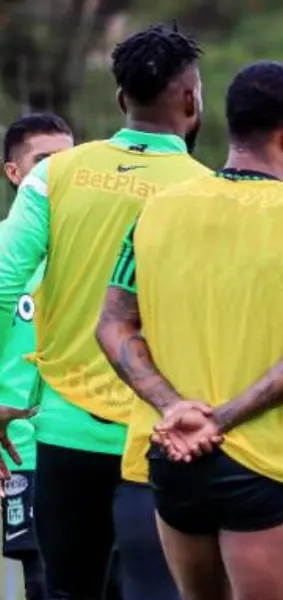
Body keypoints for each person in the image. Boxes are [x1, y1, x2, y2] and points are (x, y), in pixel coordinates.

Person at [95, 60, 283, 600]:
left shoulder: (155, 213)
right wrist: (221, 419)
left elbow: (113, 326)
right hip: (262, 464)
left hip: (173, 457)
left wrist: (175, 409)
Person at [0, 23, 208, 599]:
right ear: (192, 100)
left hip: (63, 432)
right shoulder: (208, 190)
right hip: (163, 431)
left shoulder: (55, 175)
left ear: (121, 100)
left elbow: (1, 281)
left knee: (67, 591)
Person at [0, 112, 74, 600]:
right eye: (44, 162)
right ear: (14, 173)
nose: (56, 175)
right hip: (17, 457)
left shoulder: (91, 257)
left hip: (82, 448)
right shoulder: (6, 254)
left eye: (70, 164)